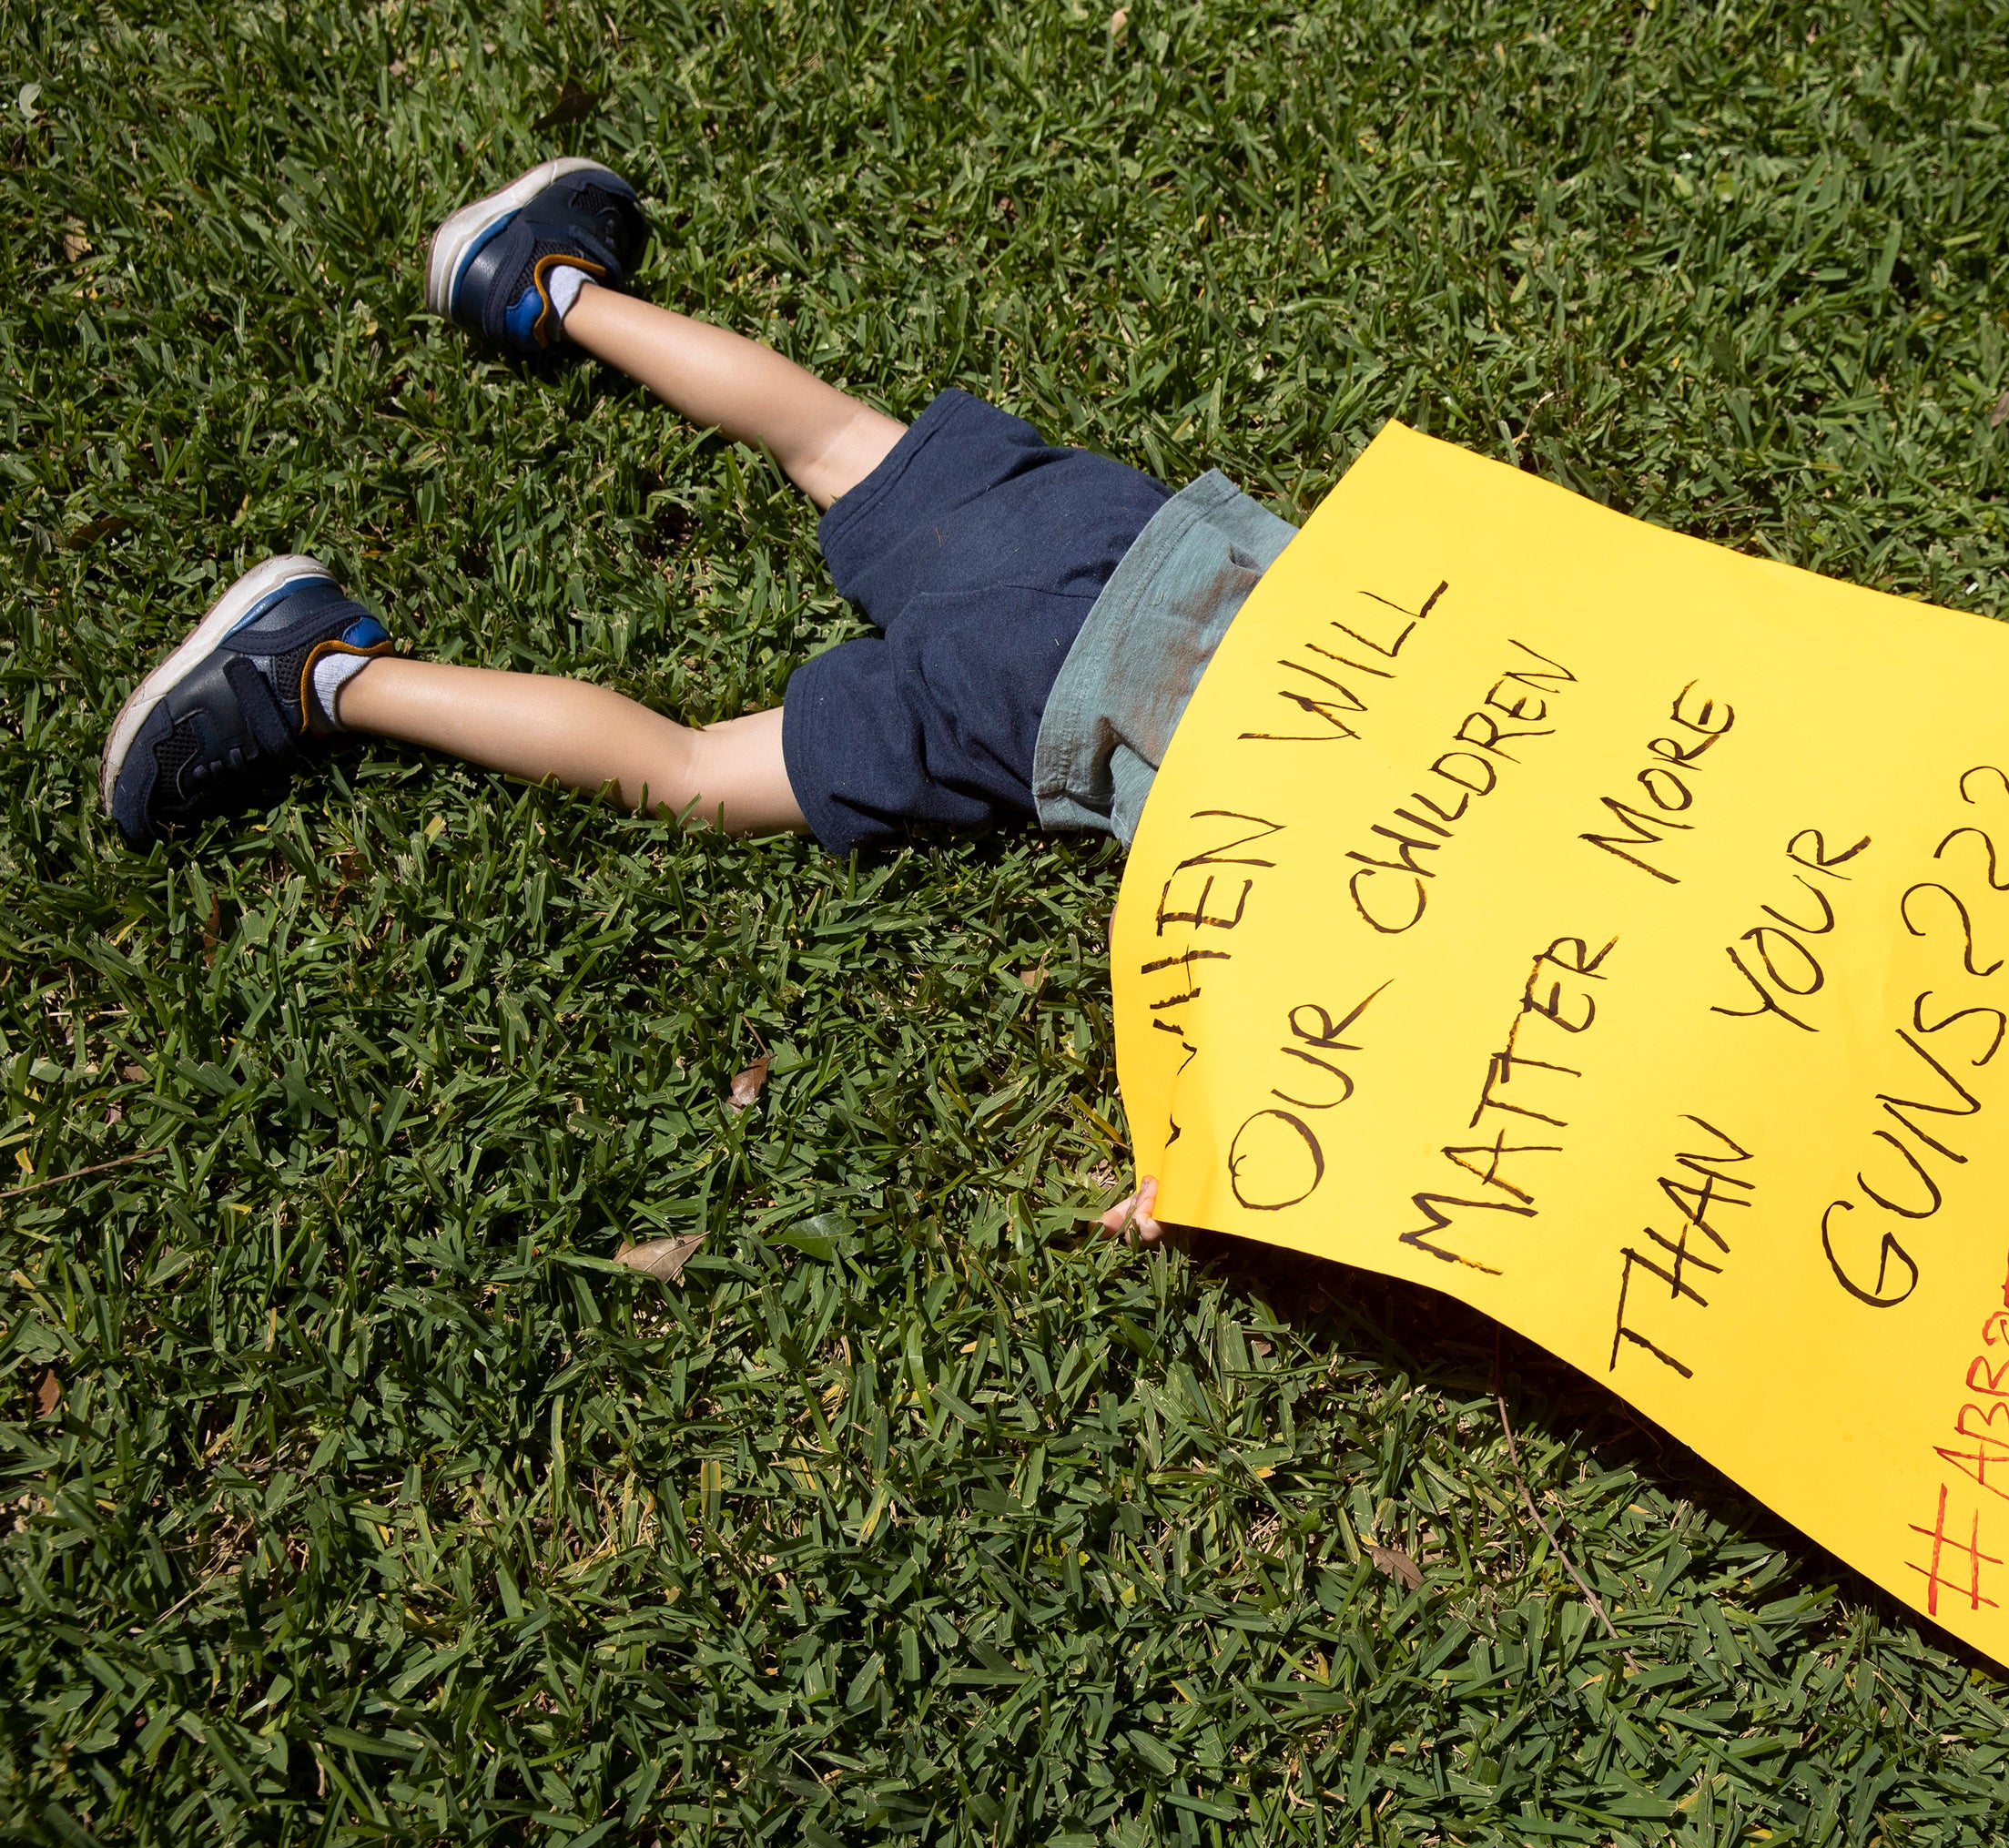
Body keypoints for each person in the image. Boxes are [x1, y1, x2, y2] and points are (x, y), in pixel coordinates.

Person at [96, 157, 1214, 1235]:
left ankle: (540, 282)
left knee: (830, 436)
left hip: (1159, 555)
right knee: (691, 767)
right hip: (1054, 705)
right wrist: (1200, 1164)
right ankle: (315, 674)